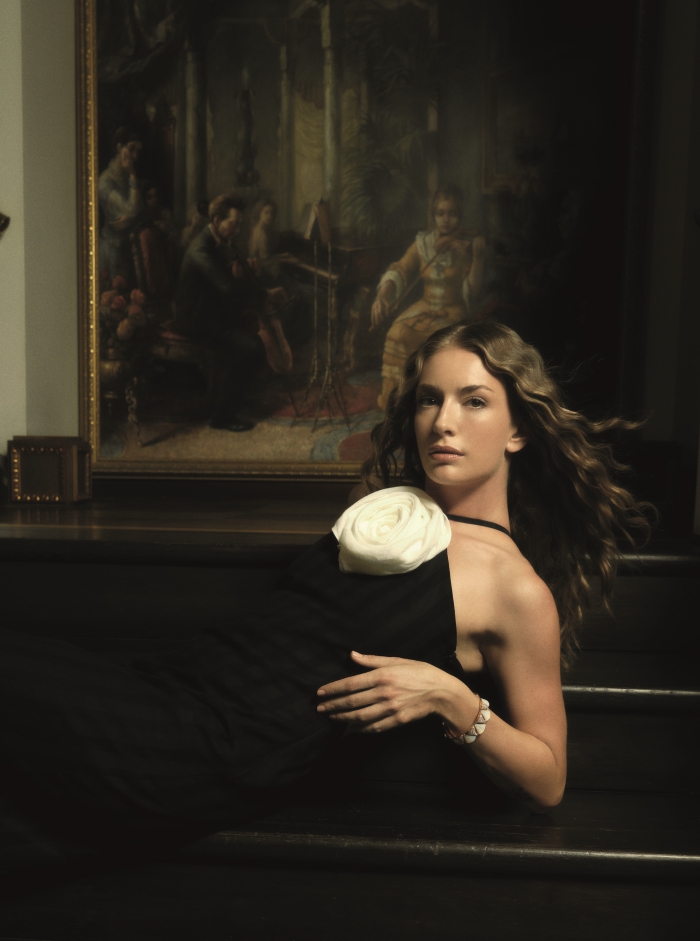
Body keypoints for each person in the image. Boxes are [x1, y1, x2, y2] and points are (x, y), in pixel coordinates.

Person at [0, 322, 650, 832]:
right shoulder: (384, 512)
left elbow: (548, 779)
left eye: (474, 401)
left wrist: (452, 698)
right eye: (429, 399)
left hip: (205, 754)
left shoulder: (516, 589)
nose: (443, 421)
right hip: (170, 690)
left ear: (519, 431)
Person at [372, 184, 485, 410]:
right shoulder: (423, 243)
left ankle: (431, 404)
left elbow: (472, 291)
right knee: (397, 332)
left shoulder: (466, 246)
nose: (446, 220)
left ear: (460, 216)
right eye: (440, 213)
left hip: (452, 310)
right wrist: (382, 295)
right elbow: (401, 269)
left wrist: (477, 258)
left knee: (435, 342)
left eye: (452, 214)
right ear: (433, 215)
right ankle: (398, 405)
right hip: (423, 306)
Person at [172, 195, 280, 432]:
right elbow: (227, 287)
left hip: (212, 312)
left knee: (249, 335)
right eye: (235, 223)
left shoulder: (219, 242)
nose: (238, 230)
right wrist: (263, 294)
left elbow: (228, 279)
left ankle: (233, 396)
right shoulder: (201, 247)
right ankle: (222, 416)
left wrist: (247, 272)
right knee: (252, 347)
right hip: (195, 319)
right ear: (217, 220)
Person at [98, 127, 144, 284]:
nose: (135, 156)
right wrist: (133, 175)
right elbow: (131, 209)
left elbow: (139, 210)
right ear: (119, 147)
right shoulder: (105, 181)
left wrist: (130, 219)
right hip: (112, 248)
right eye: (131, 149)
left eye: (137, 151)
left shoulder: (127, 177)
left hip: (130, 247)